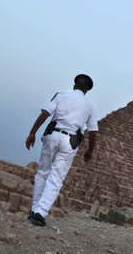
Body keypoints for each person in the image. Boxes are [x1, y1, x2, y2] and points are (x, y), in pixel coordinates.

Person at [25, 73, 99, 226]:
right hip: (70, 141)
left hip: (52, 135)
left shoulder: (61, 94)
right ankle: (40, 213)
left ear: (74, 85)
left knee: (42, 173)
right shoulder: (89, 105)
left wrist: (32, 132)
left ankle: (34, 209)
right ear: (87, 90)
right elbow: (93, 131)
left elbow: (45, 113)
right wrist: (90, 151)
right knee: (56, 178)